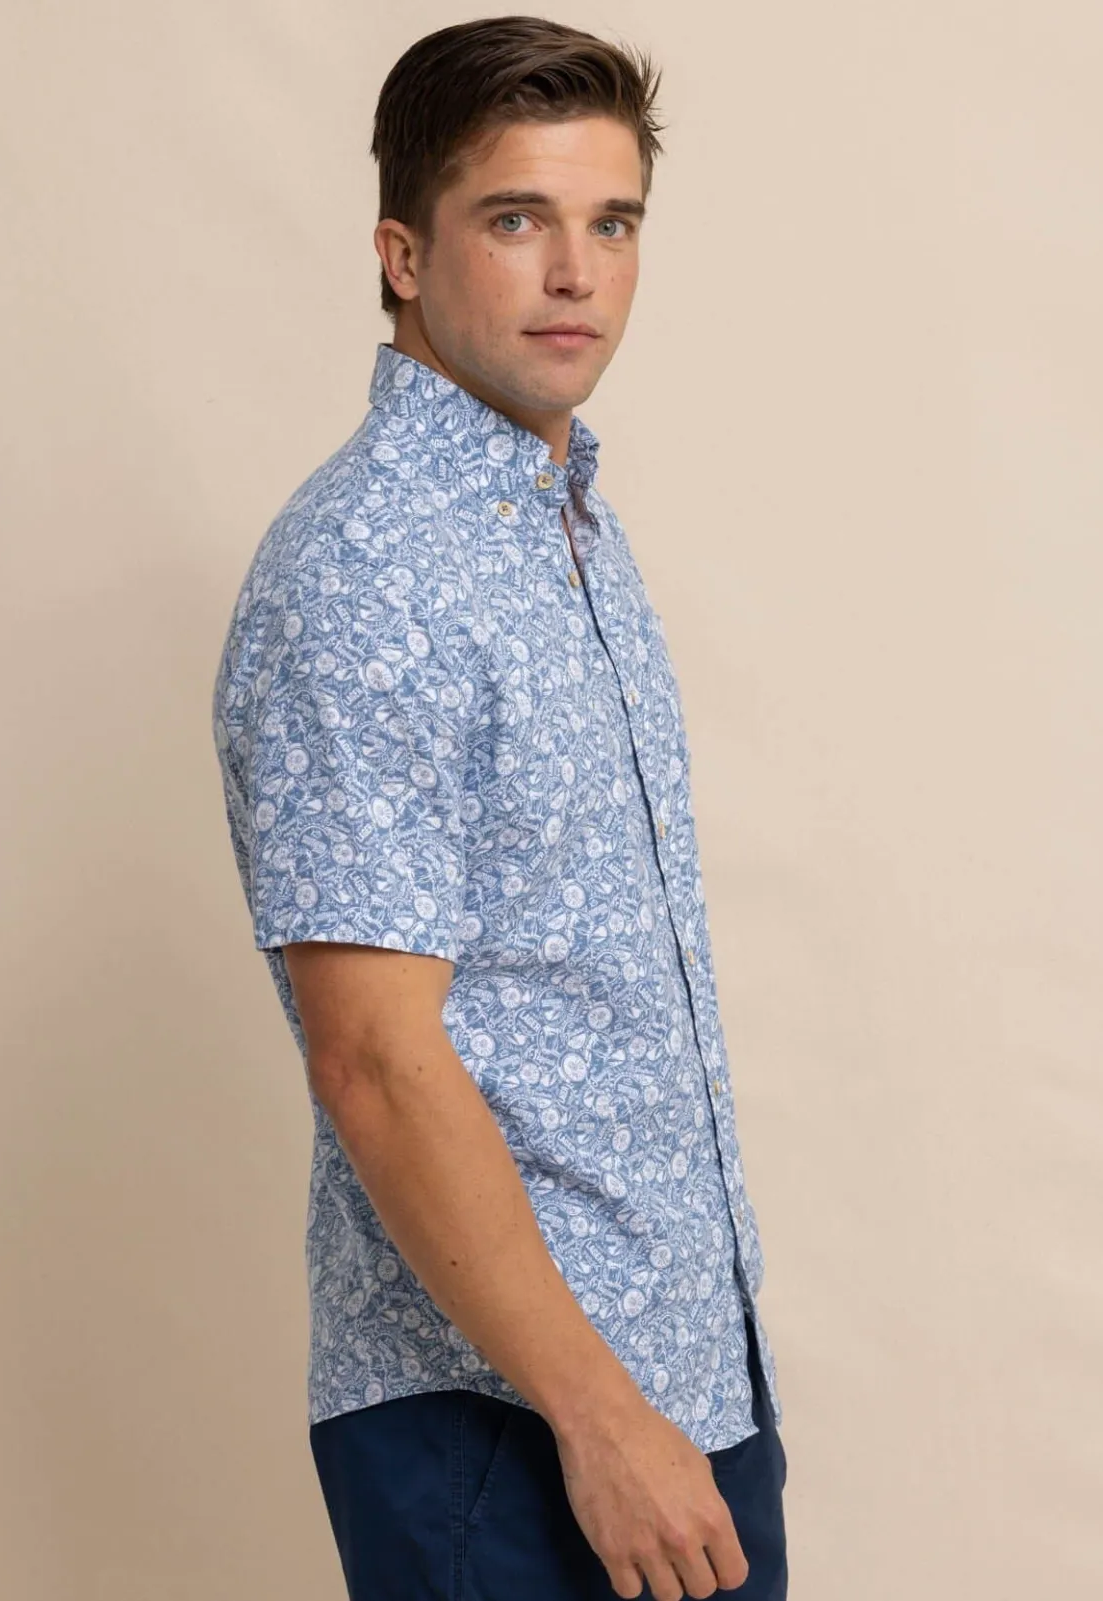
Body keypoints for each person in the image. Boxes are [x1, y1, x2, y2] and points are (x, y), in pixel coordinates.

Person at [211, 15, 788, 1599]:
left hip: (683, 1380)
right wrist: (600, 1421)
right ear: (402, 255)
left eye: (615, 223)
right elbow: (375, 1059)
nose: (577, 273)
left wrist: (678, 1392)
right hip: (511, 1427)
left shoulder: (564, 525)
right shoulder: (365, 573)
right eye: (518, 219)